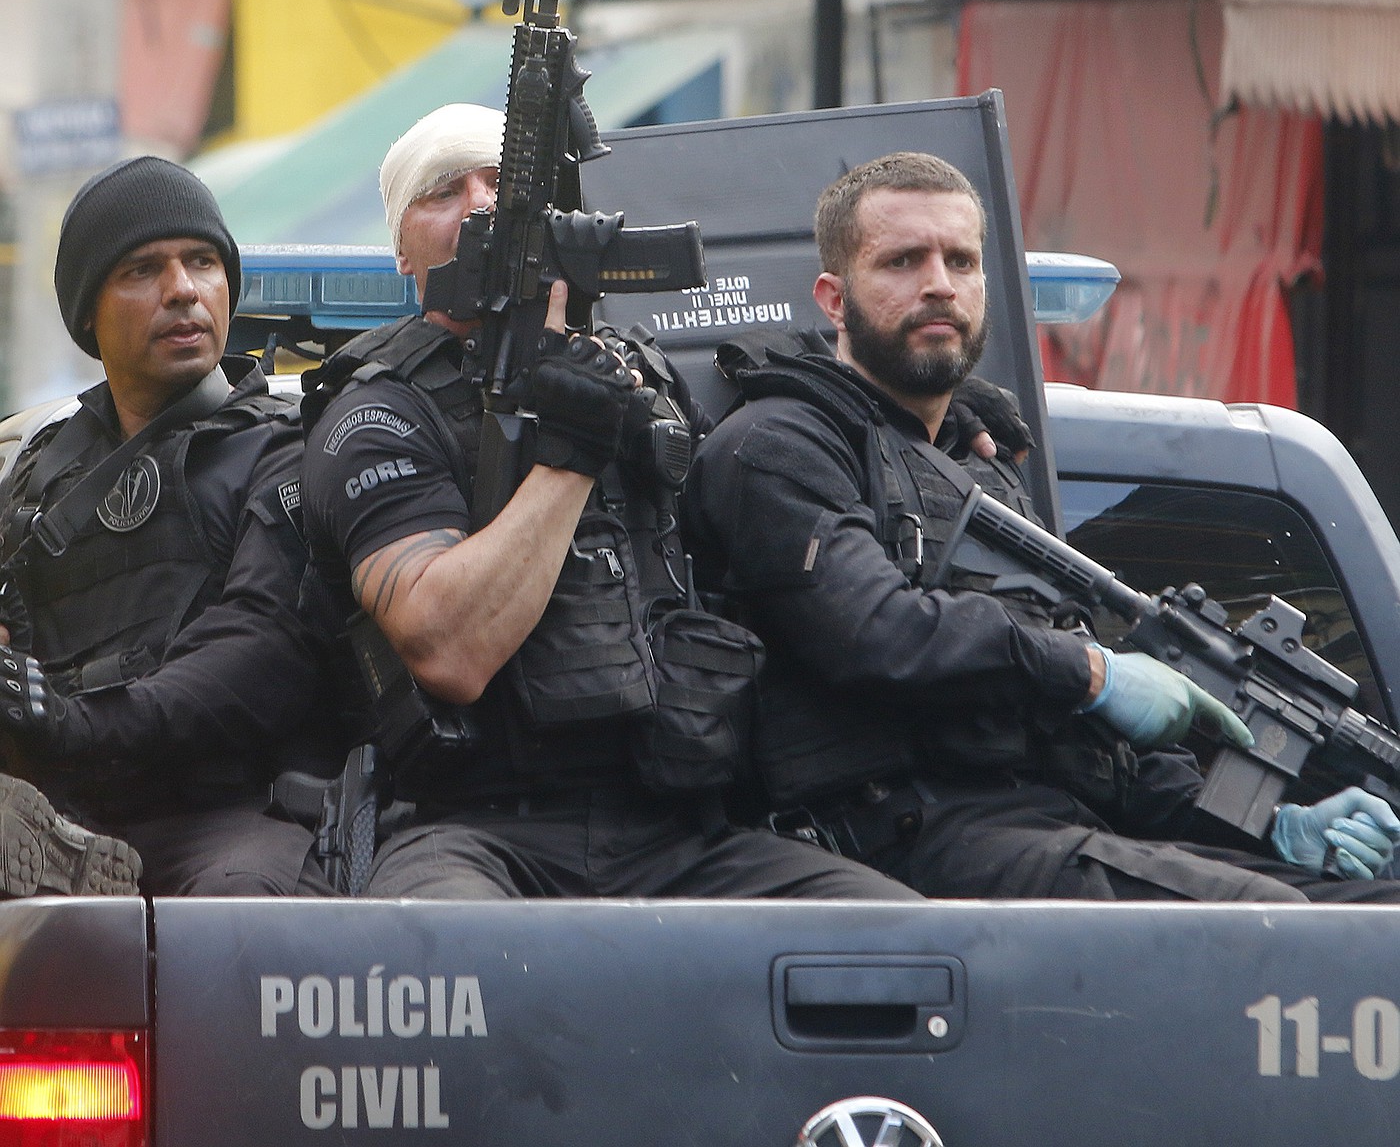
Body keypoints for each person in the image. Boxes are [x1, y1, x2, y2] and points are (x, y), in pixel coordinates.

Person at [684, 150, 1400, 903]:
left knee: (1370, 913)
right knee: (1274, 922)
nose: (938, 283)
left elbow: (1088, 742)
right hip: (904, 844)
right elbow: (874, 629)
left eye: (961, 260)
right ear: (834, 299)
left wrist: (1276, 826)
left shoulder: (981, 468)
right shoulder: (776, 446)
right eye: (902, 261)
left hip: (1058, 826)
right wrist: (1092, 672)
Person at [298, 103, 921, 902]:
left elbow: (772, 495)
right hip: (472, 831)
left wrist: (915, 424)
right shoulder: (377, 414)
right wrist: (574, 446)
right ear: (400, 250)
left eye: (501, 182)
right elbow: (448, 652)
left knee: (891, 934)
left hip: (679, 828)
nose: (484, 203)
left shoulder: (641, 375)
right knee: (446, 956)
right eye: (443, 190)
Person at [0, 156, 343, 896]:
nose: (183, 289)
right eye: (142, 269)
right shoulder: (33, 471)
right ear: (87, 310)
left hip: (228, 816)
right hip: (56, 814)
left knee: (242, 915)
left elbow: (260, 652)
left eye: (203, 262)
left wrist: (74, 720)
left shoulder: (288, 448)